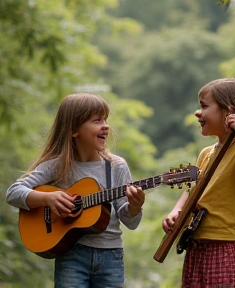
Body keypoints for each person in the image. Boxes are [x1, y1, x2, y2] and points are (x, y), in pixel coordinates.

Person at [6, 92, 145, 288]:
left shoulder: (116, 166)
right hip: (71, 254)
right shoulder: (58, 166)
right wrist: (48, 199)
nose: (105, 125)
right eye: (97, 120)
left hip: (111, 256)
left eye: (105, 119)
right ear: (73, 130)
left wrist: (135, 207)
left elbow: (130, 222)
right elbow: (13, 192)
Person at [162, 78, 235, 288]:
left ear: (229, 112)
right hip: (197, 244)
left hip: (224, 246)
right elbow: (193, 190)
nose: (197, 113)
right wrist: (177, 211)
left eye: (204, 106)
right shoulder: (206, 153)